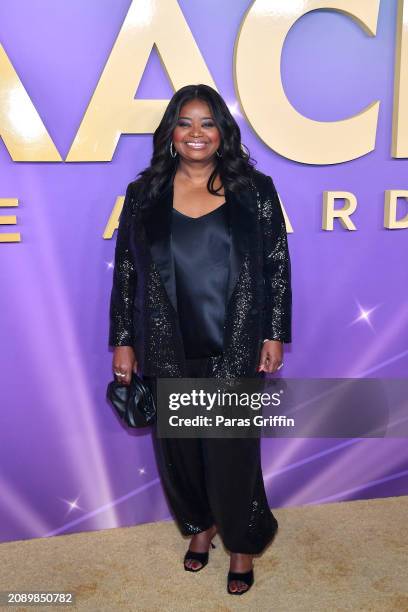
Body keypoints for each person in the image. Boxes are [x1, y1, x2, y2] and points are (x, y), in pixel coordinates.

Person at [108, 84, 292, 595]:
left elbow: (277, 267)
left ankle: (241, 543)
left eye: (207, 123)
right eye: (185, 122)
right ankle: (199, 527)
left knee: (230, 449)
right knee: (181, 449)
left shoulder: (255, 189)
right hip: (166, 340)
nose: (196, 133)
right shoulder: (143, 194)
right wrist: (123, 339)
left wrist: (274, 331)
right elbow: (126, 271)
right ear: (171, 131)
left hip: (235, 339)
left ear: (222, 133)